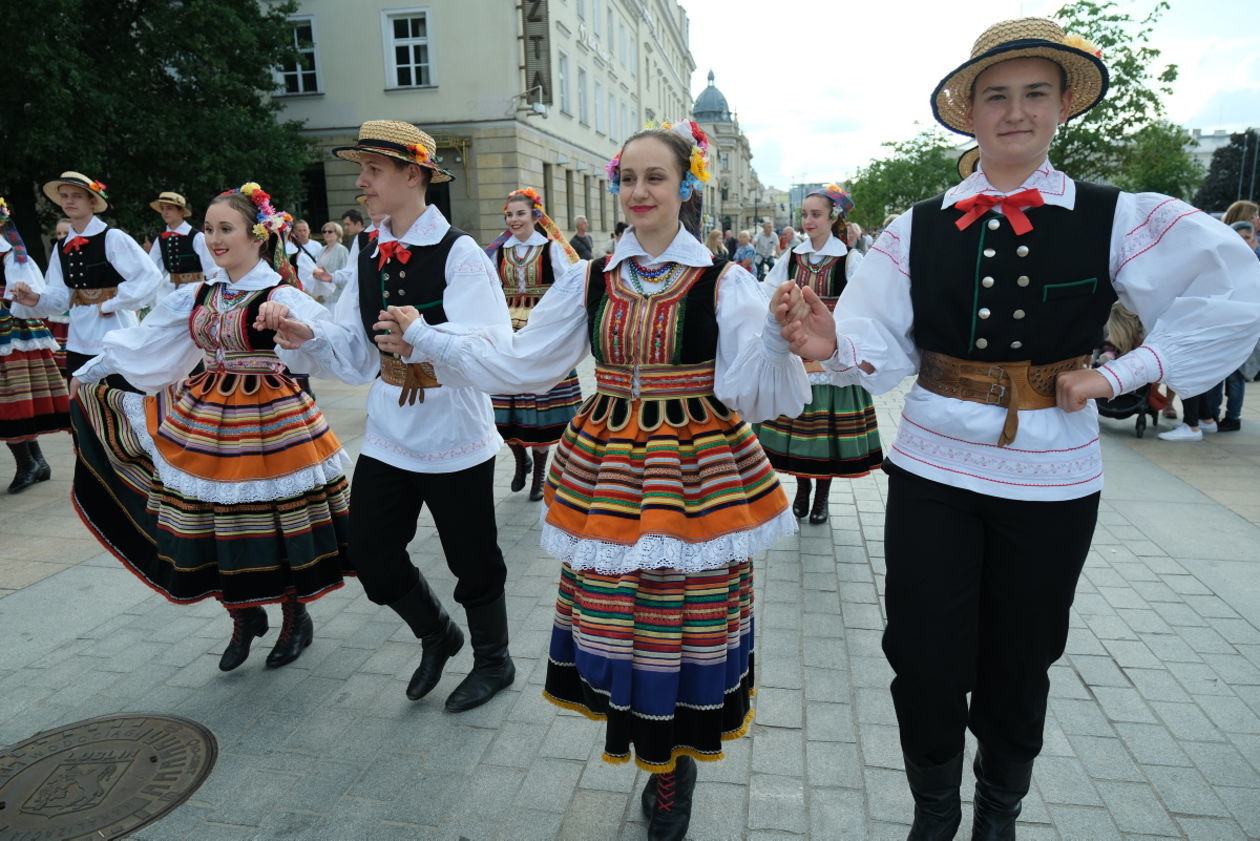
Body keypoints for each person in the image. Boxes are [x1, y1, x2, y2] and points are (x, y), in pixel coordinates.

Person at [773, 18, 1260, 841]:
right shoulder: (918, 225)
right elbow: (875, 342)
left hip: (1054, 479)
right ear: (969, 113)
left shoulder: (1115, 214)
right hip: (933, 469)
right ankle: (935, 811)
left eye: (1035, 92)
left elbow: (1232, 289)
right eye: (995, 95)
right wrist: (829, 343)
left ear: (1063, 103)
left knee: (1021, 658)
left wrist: (1120, 374)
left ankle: (998, 812)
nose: (1015, 110)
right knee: (922, 655)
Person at [393, 120, 809, 841]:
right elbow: (525, 362)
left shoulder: (724, 280)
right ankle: (653, 744)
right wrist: (429, 338)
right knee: (627, 613)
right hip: (611, 470)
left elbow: (757, 390)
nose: (640, 191)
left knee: (690, 613)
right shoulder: (590, 277)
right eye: (629, 178)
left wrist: (775, 333)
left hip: (694, 473)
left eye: (656, 177)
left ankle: (674, 765)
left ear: (686, 187)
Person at [258, 120, 517, 713]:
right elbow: (353, 352)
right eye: (362, 168)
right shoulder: (367, 248)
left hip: (453, 429)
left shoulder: (460, 253)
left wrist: (422, 338)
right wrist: (308, 336)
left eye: (373, 169)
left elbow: (492, 344)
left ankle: (494, 660)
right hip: (391, 433)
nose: (362, 181)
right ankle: (436, 632)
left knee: (471, 556)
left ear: (414, 174)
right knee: (369, 550)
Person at [68, 183, 353, 671]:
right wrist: (88, 374)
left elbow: (333, 345)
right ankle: (242, 615)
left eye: (226, 229)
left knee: (273, 518)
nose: (215, 239)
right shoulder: (197, 293)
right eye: (208, 229)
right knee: (208, 519)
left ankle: (292, 615)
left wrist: (295, 327)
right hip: (204, 415)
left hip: (269, 418)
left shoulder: (280, 293)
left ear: (256, 236)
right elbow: (147, 339)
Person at [757, 186, 881, 524]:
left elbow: (866, 304)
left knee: (824, 434)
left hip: (831, 355)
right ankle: (801, 490)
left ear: (832, 217)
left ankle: (822, 497)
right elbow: (767, 292)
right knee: (797, 427)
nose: (808, 221)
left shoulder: (850, 259)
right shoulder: (792, 257)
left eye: (816, 214)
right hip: (796, 352)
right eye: (805, 214)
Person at [8, 172, 161, 390]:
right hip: (79, 336)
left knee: (122, 397)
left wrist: (112, 303)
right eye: (64, 196)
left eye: (76, 196)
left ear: (92, 201)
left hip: (115, 332)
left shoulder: (112, 237)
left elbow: (149, 276)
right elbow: (60, 295)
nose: (69, 201)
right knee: (82, 401)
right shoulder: (61, 248)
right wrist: (35, 298)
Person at [484, 188, 584, 499]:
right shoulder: (496, 252)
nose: (513, 219)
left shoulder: (551, 249)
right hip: (507, 333)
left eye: (520, 214)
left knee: (541, 406)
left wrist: (562, 328)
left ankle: (540, 473)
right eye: (509, 214)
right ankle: (520, 460)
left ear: (535, 216)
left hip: (541, 331)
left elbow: (569, 288)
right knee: (503, 406)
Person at [0, 197, 70, 492]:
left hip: (10, 327)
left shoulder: (12, 253)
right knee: (13, 398)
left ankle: (31, 462)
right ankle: (34, 461)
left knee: (14, 396)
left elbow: (28, 291)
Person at [147, 191, 215, 303]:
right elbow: (153, 270)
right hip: (170, 292)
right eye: (162, 209)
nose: (165, 212)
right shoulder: (161, 240)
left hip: (195, 290)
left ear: (181, 212)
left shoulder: (197, 237)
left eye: (169, 208)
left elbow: (211, 268)